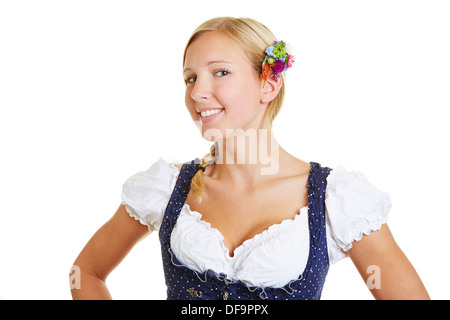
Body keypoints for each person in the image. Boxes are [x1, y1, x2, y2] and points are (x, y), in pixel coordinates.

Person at [70, 16, 429, 300]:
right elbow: (85, 273)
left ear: (268, 84)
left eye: (220, 72)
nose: (198, 93)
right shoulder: (166, 188)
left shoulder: (334, 199)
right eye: (190, 78)